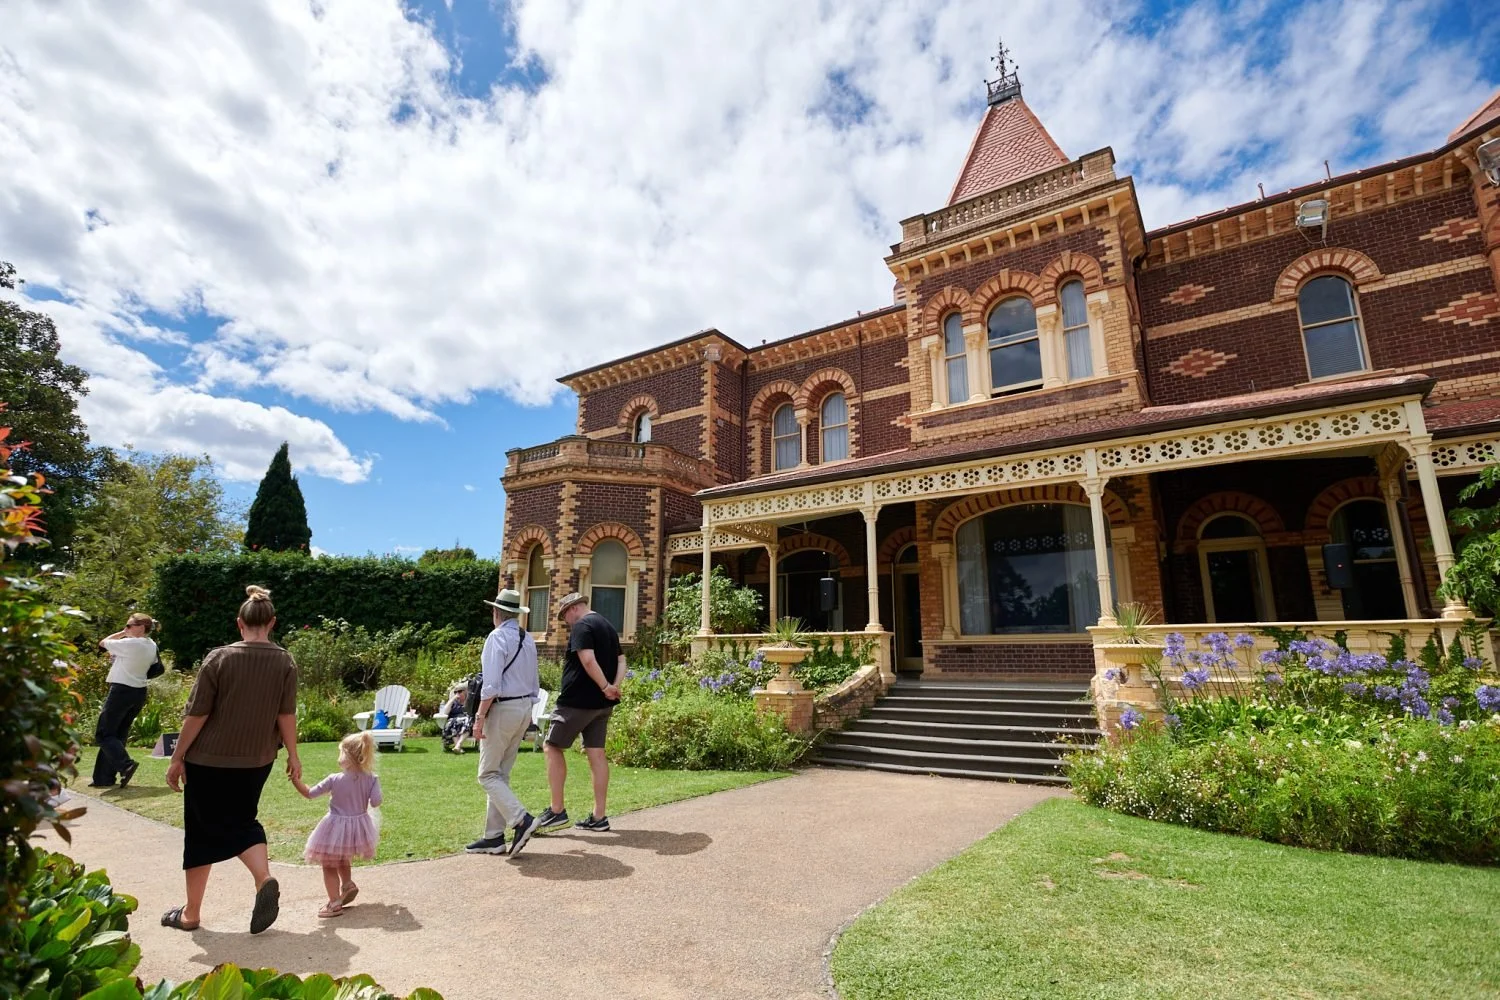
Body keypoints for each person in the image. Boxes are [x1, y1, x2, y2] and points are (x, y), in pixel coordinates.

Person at [161, 585, 300, 935]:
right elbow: (286, 714)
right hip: (257, 760)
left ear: (240, 623)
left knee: (200, 832)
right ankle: (263, 877)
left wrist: (177, 758)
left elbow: (197, 714)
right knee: (242, 821)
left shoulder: (219, 658)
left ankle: (191, 914)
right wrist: (294, 756)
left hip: (208, 760)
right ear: (272, 622)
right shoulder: (284, 661)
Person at [535, 592, 623, 834]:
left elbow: (587, 660)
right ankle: (599, 816)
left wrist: (606, 687)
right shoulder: (607, 626)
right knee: (597, 755)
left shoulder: (583, 625)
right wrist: (613, 688)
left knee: (552, 747)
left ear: (573, 608)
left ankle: (556, 811)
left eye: (565, 616)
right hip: (602, 706)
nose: (567, 621)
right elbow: (623, 661)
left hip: (577, 701)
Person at [465, 589, 541, 856]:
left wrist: (479, 717)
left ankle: (521, 819)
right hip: (523, 707)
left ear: (496, 612)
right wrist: (528, 713)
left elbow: (491, 685)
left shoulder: (496, 638)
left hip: (502, 708)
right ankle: (493, 837)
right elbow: (534, 682)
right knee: (501, 774)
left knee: (487, 774)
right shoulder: (527, 638)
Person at [292, 731, 382, 918]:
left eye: (340, 753)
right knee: (343, 857)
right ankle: (347, 884)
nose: (338, 757)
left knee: (329, 864)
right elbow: (376, 802)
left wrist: (295, 780)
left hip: (335, 826)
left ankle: (334, 904)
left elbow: (310, 793)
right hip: (358, 826)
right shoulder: (371, 778)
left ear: (348, 758)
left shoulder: (334, 779)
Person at [90, 613, 158, 789]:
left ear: (141, 627)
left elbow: (103, 643)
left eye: (129, 626)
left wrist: (121, 632)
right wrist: (128, 632)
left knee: (104, 734)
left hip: (121, 690)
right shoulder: (151, 645)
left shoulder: (131, 643)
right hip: (138, 692)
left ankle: (126, 765)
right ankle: (103, 778)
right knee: (117, 735)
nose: (126, 628)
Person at [440, 684, 471, 753]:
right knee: (453, 723)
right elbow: (445, 712)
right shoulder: (453, 702)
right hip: (454, 721)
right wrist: (452, 699)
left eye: (460, 691)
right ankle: (458, 747)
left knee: (467, 721)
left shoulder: (470, 702)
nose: (457, 694)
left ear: (465, 692)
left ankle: (458, 745)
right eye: (455, 692)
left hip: (466, 722)